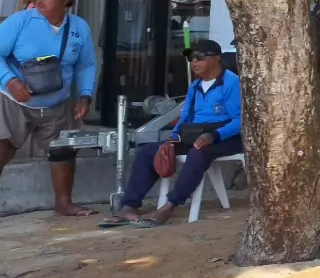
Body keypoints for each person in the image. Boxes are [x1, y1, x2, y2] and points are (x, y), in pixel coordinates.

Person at [101, 39, 241, 228]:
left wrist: (214, 136)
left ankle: (170, 205)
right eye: (191, 58)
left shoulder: (231, 82)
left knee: (199, 154)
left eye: (199, 57)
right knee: (148, 152)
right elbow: (184, 118)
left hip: (225, 137)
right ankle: (129, 205)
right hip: (194, 133)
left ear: (216, 59)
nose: (194, 62)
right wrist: (173, 138)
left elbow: (240, 120)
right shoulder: (195, 85)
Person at [0, 0, 99, 216]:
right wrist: (9, 81)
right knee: (2, 148)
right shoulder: (19, 21)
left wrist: (85, 94)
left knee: (63, 150)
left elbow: (86, 64)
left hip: (57, 101)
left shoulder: (79, 28)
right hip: (13, 99)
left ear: (67, 0)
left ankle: (63, 203)